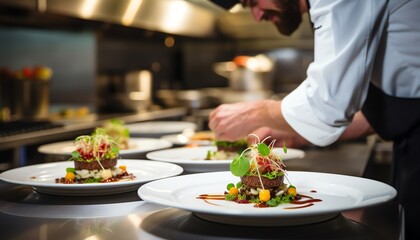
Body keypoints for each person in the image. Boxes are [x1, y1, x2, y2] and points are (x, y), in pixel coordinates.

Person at [209, 0, 420, 239]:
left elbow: (328, 103)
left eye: (252, 1)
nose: (257, 16)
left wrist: (252, 113)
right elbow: (395, 105)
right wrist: (295, 132)